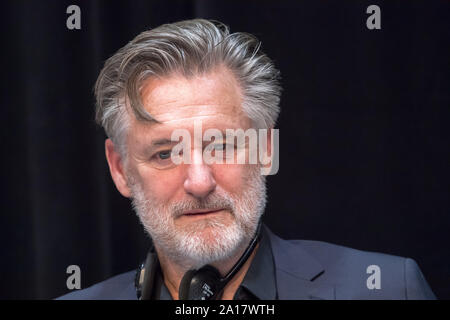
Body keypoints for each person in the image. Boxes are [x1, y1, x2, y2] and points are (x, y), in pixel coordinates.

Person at [58, 19, 436, 300]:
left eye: (221, 145)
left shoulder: (387, 288)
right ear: (121, 169)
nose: (200, 181)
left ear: (266, 149)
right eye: (166, 153)